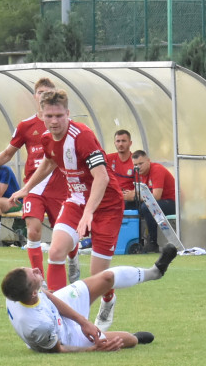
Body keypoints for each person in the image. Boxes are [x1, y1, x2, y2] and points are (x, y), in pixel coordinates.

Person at [9, 89, 128, 330]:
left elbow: (102, 177)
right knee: (55, 251)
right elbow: (50, 162)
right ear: (42, 115)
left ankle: (108, 300)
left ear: (68, 114)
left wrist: (89, 213)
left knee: (98, 277)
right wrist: (26, 188)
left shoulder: (82, 136)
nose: (54, 121)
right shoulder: (46, 138)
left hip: (107, 205)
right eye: (49, 116)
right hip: (75, 200)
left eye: (59, 116)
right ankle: (58, 313)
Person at [2, 244, 177, 353]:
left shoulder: (18, 292)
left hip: (55, 309)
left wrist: (83, 322)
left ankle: (155, 272)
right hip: (66, 337)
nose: (36, 270)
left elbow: (46, 295)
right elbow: (59, 349)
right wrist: (93, 349)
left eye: (29, 269)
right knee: (128, 340)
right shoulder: (39, 327)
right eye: (33, 275)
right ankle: (135, 337)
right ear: (32, 293)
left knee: (106, 278)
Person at [0, 78, 73, 278]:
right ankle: (38, 277)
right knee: (33, 231)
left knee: (65, 235)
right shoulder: (25, 126)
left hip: (59, 186)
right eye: (40, 92)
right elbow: (8, 153)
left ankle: (73, 259)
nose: (44, 95)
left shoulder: (63, 124)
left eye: (48, 92)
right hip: (33, 185)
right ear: (35, 96)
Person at [131, 150, 176, 254]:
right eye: (135, 165)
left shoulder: (157, 169)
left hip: (172, 203)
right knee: (130, 205)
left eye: (141, 163)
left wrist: (134, 196)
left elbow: (156, 196)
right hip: (159, 202)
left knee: (146, 207)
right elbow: (141, 192)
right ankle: (134, 241)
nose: (138, 167)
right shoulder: (139, 173)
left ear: (148, 161)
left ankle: (152, 243)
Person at [106, 129, 140, 209]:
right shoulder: (108, 159)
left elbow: (139, 187)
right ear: (114, 143)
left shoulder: (135, 162)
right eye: (118, 141)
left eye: (124, 141)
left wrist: (133, 193)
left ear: (130, 143)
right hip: (111, 195)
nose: (120, 144)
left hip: (127, 198)